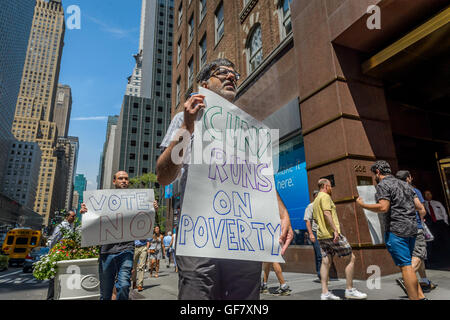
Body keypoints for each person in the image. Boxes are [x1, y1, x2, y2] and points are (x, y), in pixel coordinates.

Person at [156, 58, 293, 300]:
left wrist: (282, 212)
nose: (231, 77)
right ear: (204, 85)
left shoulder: (249, 128)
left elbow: (260, 178)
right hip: (200, 237)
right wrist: (187, 128)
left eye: (234, 74)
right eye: (222, 72)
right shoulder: (185, 119)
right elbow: (164, 176)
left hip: (243, 238)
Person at [80, 171, 158, 300]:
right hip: (106, 252)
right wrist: (85, 212)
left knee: (124, 285)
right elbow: (93, 221)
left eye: (126, 179)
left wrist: (152, 209)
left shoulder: (135, 200)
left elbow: (144, 220)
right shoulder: (102, 200)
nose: (124, 181)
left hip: (126, 250)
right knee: (105, 293)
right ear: (114, 181)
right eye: (120, 178)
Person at [356, 161, 426, 300]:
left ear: (377, 172)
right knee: (409, 267)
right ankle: (420, 296)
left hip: (396, 230)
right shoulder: (405, 184)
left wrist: (363, 204)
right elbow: (419, 207)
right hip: (412, 229)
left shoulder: (383, 185)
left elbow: (383, 207)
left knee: (406, 267)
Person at [313, 179, 367, 300]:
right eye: (330, 186)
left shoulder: (316, 200)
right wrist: (335, 230)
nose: (331, 188)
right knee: (351, 257)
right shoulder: (325, 197)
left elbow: (316, 219)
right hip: (332, 234)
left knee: (325, 262)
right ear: (326, 186)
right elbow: (327, 213)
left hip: (321, 235)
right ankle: (349, 289)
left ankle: (325, 293)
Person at [395, 171, 437, 294]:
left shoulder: (395, 191)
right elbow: (421, 209)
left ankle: (424, 280)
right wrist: (421, 219)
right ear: (409, 178)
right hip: (415, 226)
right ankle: (406, 278)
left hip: (400, 228)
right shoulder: (414, 190)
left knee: (416, 256)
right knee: (419, 253)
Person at [46, 210, 76, 300]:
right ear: (67, 217)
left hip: (67, 254)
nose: (74, 218)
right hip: (59, 253)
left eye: (74, 216)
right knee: (54, 277)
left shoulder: (71, 226)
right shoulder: (61, 226)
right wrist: (53, 252)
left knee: (64, 276)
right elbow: (54, 239)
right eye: (72, 216)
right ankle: (50, 297)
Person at [423, 190, 450, 265]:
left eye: (429, 194)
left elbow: (444, 213)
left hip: (441, 222)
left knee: (446, 239)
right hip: (431, 224)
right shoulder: (424, 204)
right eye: (426, 194)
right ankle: (437, 259)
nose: (428, 195)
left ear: (432, 195)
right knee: (434, 241)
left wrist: (445, 222)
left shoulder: (437, 203)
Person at [303, 190, 321, 281]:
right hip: (315, 232)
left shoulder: (323, 206)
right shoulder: (310, 206)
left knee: (325, 255)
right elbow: (307, 221)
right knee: (319, 254)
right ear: (314, 196)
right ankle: (320, 275)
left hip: (324, 233)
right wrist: (311, 234)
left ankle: (324, 274)